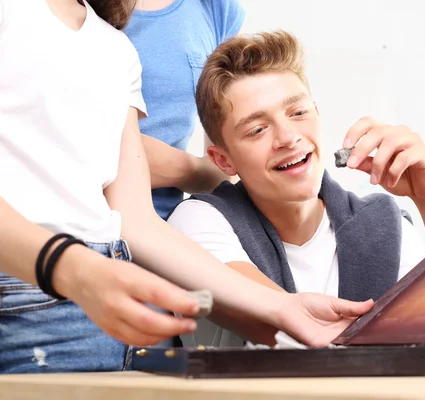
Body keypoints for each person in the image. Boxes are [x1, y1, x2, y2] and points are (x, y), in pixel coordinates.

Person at [0, 1, 373, 374]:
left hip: (128, 302)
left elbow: (135, 222)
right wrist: (77, 272)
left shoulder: (115, 49)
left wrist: (281, 305)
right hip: (33, 291)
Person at [167, 30, 425, 364]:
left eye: (298, 113)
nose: (287, 137)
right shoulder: (197, 223)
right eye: (257, 130)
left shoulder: (384, 225)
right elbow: (286, 334)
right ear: (223, 159)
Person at [124, 0, 244, 220]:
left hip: (166, 226)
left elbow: (233, 171)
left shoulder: (216, 8)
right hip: (75, 222)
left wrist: (184, 169)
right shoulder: (78, 10)